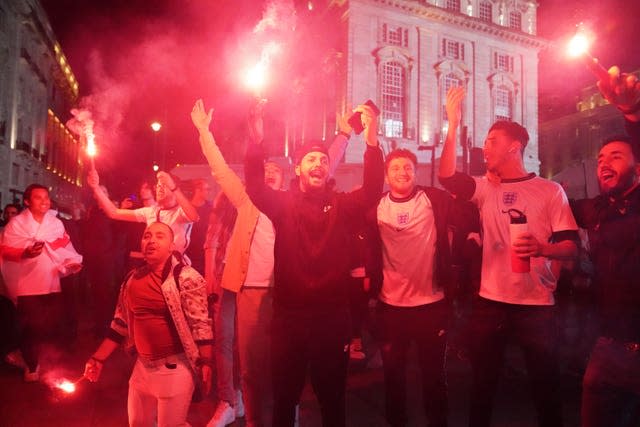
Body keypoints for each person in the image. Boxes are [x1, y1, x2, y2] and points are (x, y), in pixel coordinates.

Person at [438, 87, 579, 427]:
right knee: (482, 386)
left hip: (536, 306)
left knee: (545, 386)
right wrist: (453, 124)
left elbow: (572, 247)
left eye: (492, 141)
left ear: (514, 147)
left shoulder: (550, 190)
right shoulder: (487, 188)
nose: (485, 147)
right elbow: (446, 177)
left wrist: (544, 249)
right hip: (491, 303)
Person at [245, 100, 384, 427]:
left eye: (324, 159)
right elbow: (253, 186)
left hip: (332, 317)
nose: (319, 164)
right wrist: (255, 141)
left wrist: (372, 140)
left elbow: (372, 190)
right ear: (298, 168)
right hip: (289, 318)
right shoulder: (281, 204)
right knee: (284, 399)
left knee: (332, 399)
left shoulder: (341, 205)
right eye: (311, 159)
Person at [191, 99, 284, 427]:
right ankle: (238, 406)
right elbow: (220, 168)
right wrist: (204, 131)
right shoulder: (244, 201)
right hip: (242, 287)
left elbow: (324, 170)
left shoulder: (290, 206)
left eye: (276, 172)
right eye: (266, 171)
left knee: (283, 360)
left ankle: (287, 414)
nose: (270, 175)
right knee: (238, 355)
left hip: (282, 292)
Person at [367, 148, 472, 426]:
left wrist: (472, 238)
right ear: (387, 175)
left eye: (408, 167)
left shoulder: (434, 199)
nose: (402, 172)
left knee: (434, 377)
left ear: (416, 171)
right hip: (390, 307)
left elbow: (466, 210)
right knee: (393, 378)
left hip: (431, 305)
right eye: (396, 168)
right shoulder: (375, 206)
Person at [83, 221, 213, 427]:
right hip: (142, 368)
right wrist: (97, 358)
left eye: (160, 236)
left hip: (175, 368)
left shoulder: (186, 277)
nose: (151, 240)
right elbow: (120, 323)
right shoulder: (131, 279)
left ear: (172, 245)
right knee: (137, 424)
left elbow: (201, 325)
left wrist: (206, 363)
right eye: (147, 236)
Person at [571, 66, 640, 427]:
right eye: (600, 160)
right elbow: (554, 206)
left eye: (615, 157)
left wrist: (633, 113)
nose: (603, 164)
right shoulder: (597, 209)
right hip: (608, 350)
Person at [0, 184, 82, 381]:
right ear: (27, 201)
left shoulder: (55, 224)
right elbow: (5, 251)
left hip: (51, 282)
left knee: (48, 325)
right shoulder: (16, 224)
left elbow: (63, 245)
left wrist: (70, 262)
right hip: (26, 284)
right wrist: (25, 252)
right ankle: (31, 364)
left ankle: (44, 360)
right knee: (29, 327)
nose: (45, 201)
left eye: (46, 197)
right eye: (39, 197)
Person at [87, 169, 198, 255]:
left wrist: (174, 187)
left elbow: (194, 217)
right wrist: (96, 188)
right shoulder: (151, 212)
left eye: (164, 185)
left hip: (175, 270)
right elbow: (114, 213)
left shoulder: (181, 211)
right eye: (158, 186)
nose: (159, 189)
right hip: (154, 268)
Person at [185, 179, 213, 275]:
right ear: (198, 190)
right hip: (189, 253)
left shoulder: (212, 207)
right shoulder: (186, 208)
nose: (209, 192)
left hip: (206, 253)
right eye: (207, 189)